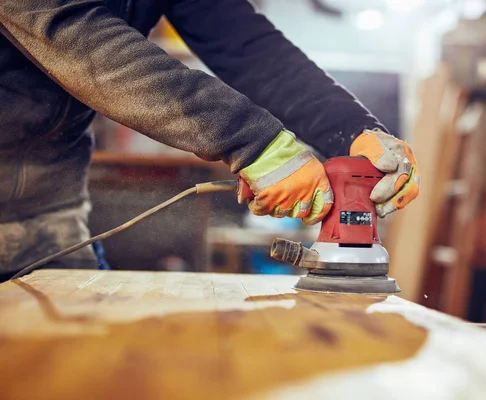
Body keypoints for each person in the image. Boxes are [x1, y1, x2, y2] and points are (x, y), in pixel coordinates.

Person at [0, 0, 420, 278]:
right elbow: (80, 41)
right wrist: (257, 144)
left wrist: (355, 131)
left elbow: (250, 49)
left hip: (51, 212)